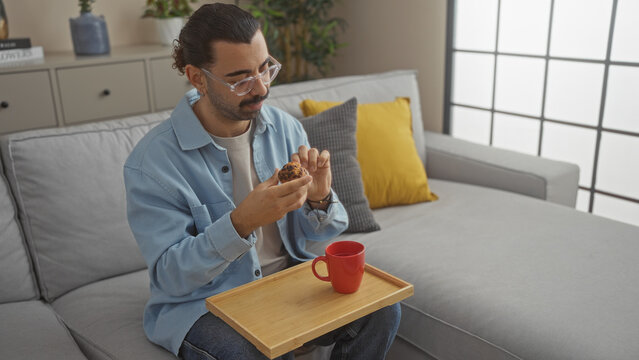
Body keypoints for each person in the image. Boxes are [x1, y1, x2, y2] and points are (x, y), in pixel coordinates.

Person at [124, 3, 400, 359]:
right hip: (205, 304)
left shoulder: (284, 128)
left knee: (382, 310)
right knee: (250, 352)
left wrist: (319, 199)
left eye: (265, 68)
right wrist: (242, 222)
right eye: (240, 78)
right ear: (197, 78)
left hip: (286, 282)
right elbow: (171, 276)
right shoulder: (152, 163)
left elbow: (322, 233)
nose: (261, 89)